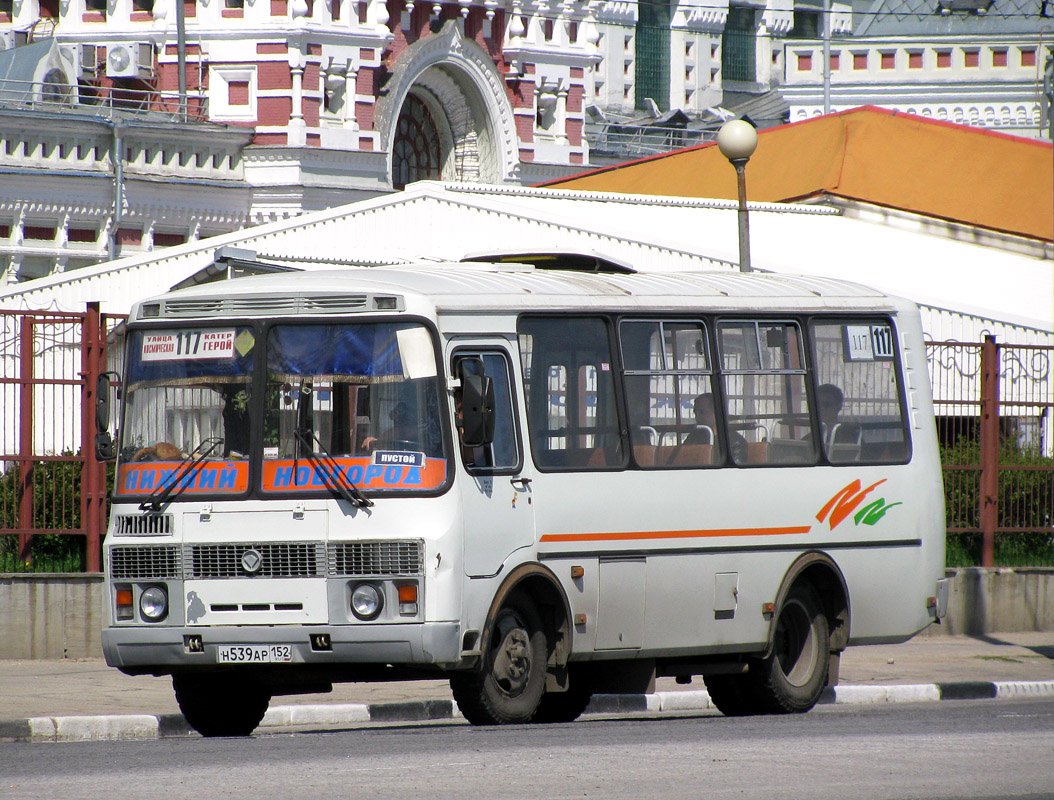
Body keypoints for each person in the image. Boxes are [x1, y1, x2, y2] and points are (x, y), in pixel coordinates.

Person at [684, 392, 747, 463]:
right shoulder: (694, 437)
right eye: (695, 413)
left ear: (716, 412)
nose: (697, 417)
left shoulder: (736, 442)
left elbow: (733, 469)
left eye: (702, 412)